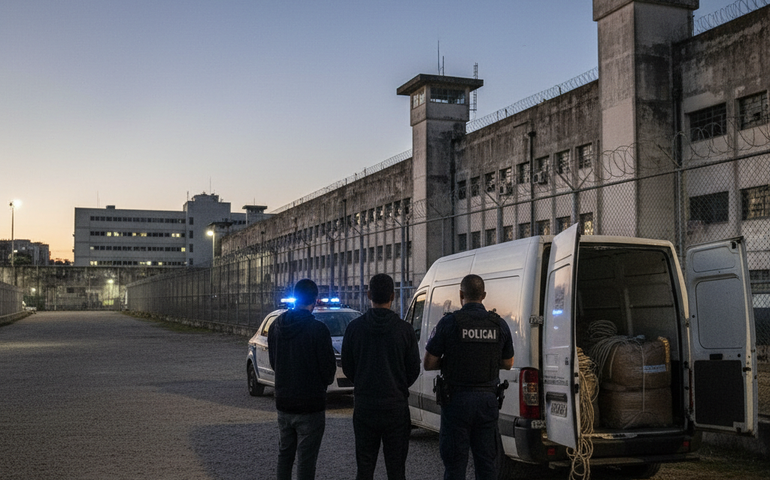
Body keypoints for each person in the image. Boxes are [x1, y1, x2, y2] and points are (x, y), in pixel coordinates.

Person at [423, 274, 514, 480]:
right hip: (487, 401)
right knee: (487, 464)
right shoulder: (499, 324)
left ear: (461, 294)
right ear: (484, 295)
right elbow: (508, 363)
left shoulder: (449, 323)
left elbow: (428, 363)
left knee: (455, 465)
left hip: (456, 401)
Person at [341, 274, 421, 480]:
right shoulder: (405, 330)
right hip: (395, 407)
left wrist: (361, 381)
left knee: (365, 468)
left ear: (369, 295)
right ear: (393, 296)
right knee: (396, 469)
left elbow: (348, 367)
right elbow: (413, 369)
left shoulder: (354, 328)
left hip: (365, 406)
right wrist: (398, 384)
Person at [268, 279, 337, 480]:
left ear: (295, 297)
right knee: (306, 460)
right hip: (310, 404)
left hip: (284, 401)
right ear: (314, 301)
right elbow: (328, 370)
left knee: (285, 455)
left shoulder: (276, 326)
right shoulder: (318, 330)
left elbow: (274, 362)